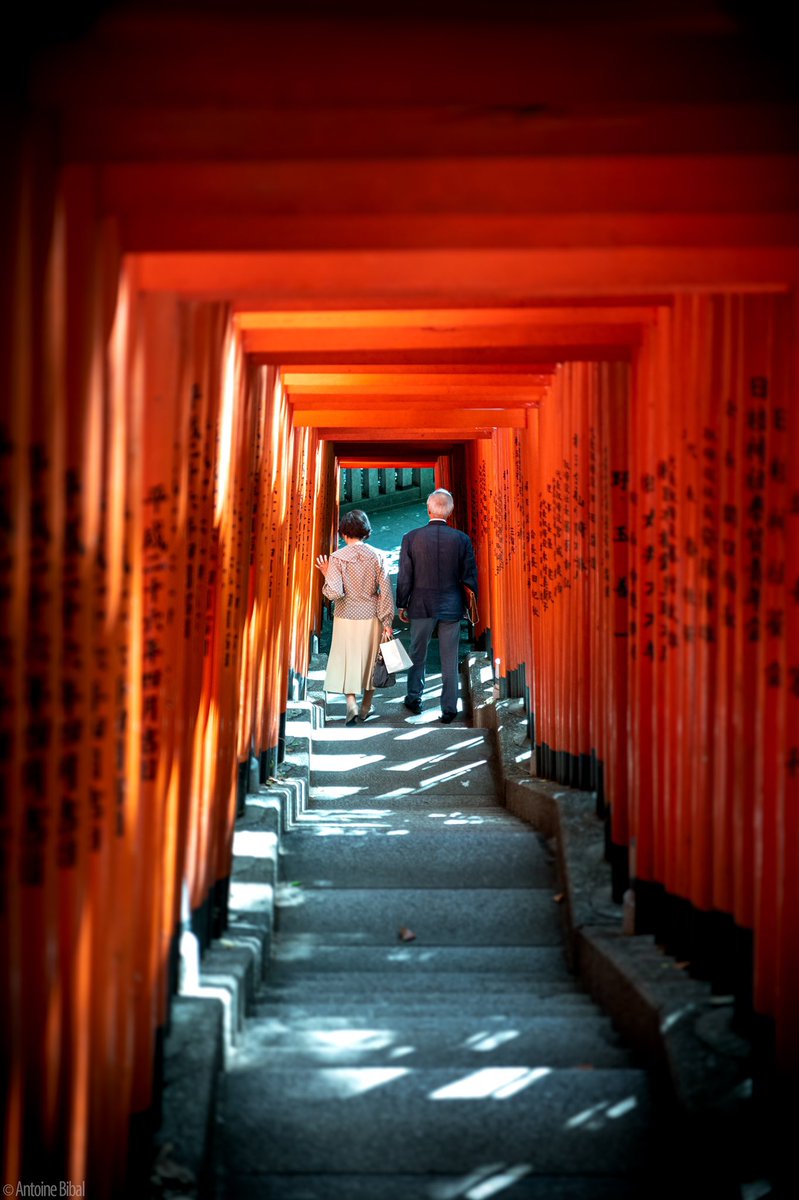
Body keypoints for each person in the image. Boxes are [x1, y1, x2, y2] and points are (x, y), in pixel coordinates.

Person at [396, 488, 478, 723]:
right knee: (449, 658)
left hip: (421, 604)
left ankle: (414, 698)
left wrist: (403, 603)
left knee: (417, 653)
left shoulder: (411, 538)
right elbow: (469, 576)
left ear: (429, 508)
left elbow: (405, 576)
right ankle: (449, 708)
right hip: (452, 605)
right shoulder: (461, 539)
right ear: (450, 511)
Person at [316, 509, 394, 725]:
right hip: (372, 615)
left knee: (347, 659)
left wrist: (326, 574)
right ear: (366, 532)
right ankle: (366, 707)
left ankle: (351, 704)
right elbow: (385, 590)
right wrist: (387, 621)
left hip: (345, 614)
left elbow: (335, 592)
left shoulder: (337, 558)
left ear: (343, 533)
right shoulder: (378, 556)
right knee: (371, 661)